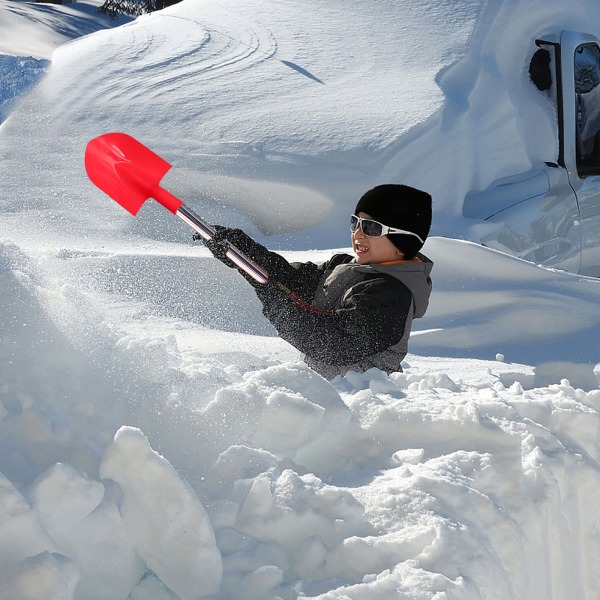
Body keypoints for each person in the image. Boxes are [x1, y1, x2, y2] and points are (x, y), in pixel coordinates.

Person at [198, 184, 433, 379]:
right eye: (355, 223)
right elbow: (289, 278)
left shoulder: (391, 294)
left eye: (371, 227)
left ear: (404, 241)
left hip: (358, 407)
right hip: (327, 398)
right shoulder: (345, 267)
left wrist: (276, 302)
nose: (358, 234)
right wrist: (242, 251)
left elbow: (332, 344)